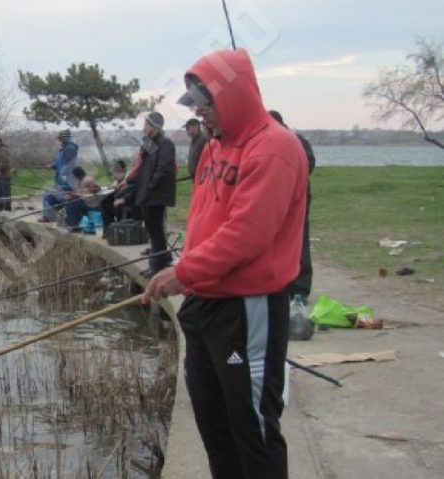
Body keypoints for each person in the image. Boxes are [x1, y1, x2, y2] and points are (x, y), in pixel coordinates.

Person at [142, 49, 308, 479]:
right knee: (215, 427)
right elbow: (204, 223)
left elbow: (246, 236)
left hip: (247, 309)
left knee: (252, 428)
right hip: (204, 305)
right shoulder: (215, 147)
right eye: (195, 104)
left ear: (233, 96)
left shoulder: (275, 148)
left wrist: (181, 273)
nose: (199, 113)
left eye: (205, 103)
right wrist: (187, 269)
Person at [269, 110, 316, 304]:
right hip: (278, 197)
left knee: (300, 240)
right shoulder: (273, 141)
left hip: (297, 196)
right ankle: (285, 283)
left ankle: (300, 288)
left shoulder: (295, 141)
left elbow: (309, 164)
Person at [134, 111, 176, 277]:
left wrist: (150, 187)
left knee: (156, 230)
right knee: (151, 229)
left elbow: (164, 169)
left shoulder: (166, 143)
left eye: (146, 125)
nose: (143, 128)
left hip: (157, 194)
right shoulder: (150, 143)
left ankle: (158, 267)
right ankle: (158, 262)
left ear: (154, 126)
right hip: (147, 193)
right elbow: (142, 166)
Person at [39, 129, 80, 222]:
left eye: (58, 139)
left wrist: (64, 183)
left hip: (67, 182)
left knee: (49, 194)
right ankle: (50, 215)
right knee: (49, 195)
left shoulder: (70, 149)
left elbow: (70, 166)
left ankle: (50, 216)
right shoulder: (63, 149)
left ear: (62, 139)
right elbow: (60, 163)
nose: (57, 141)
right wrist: (52, 166)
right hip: (61, 181)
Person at [100, 159, 136, 230]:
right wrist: (111, 188)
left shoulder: (129, 178)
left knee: (118, 205)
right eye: (114, 172)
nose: (114, 175)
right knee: (103, 202)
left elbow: (133, 192)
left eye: (115, 172)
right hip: (119, 202)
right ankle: (108, 229)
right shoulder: (117, 180)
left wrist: (123, 199)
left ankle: (119, 229)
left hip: (128, 203)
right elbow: (114, 189)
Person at [63, 166, 101, 231]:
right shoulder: (80, 181)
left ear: (77, 175)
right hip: (86, 203)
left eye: (73, 176)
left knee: (73, 204)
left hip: (93, 205)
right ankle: (72, 224)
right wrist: (72, 194)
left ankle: (74, 225)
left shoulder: (87, 180)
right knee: (70, 202)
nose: (73, 178)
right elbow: (79, 193)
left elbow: (96, 190)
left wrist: (78, 195)